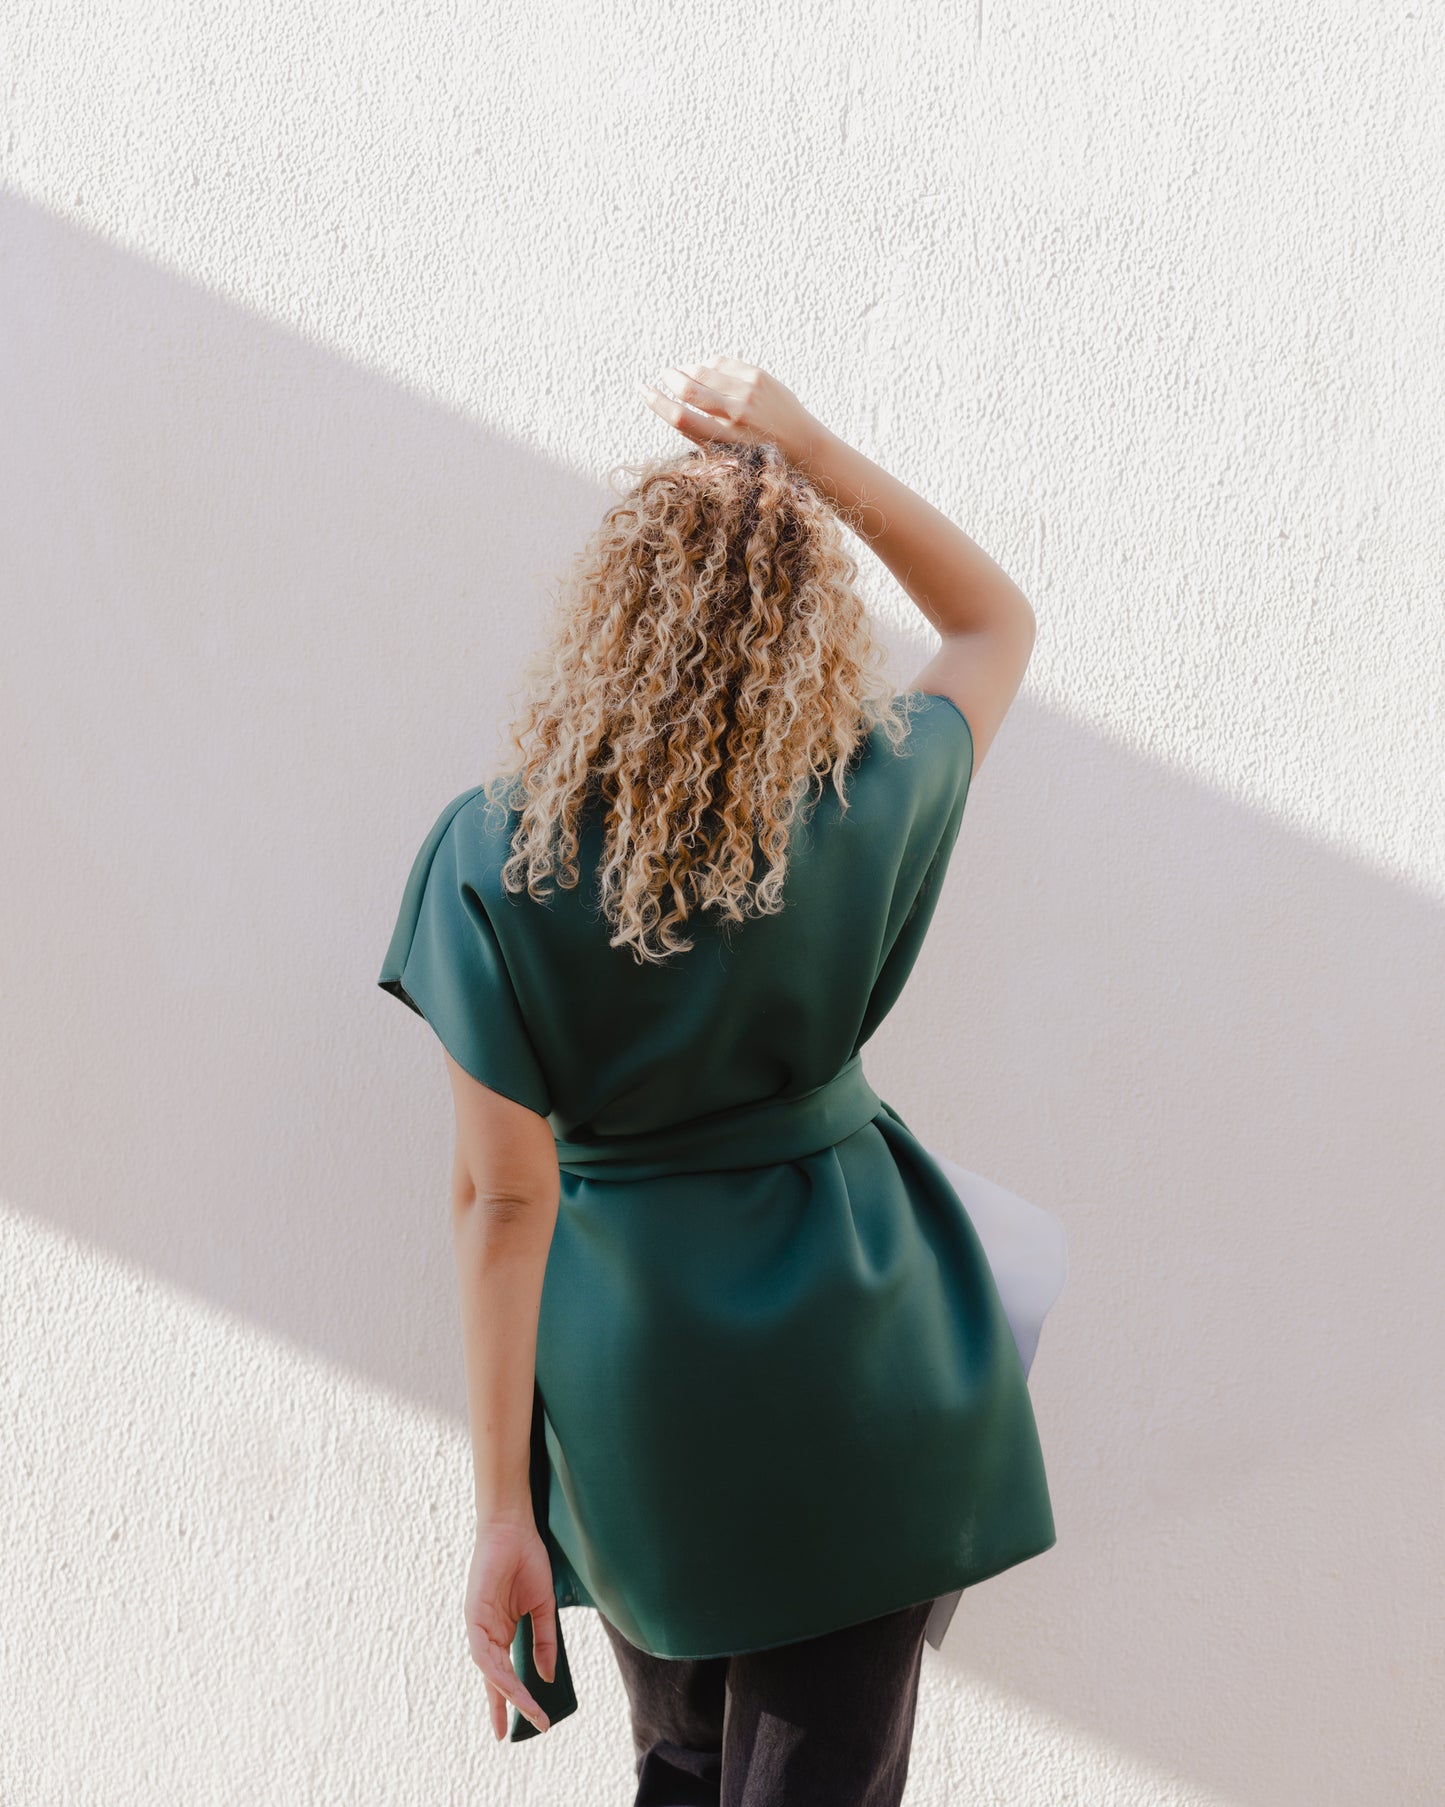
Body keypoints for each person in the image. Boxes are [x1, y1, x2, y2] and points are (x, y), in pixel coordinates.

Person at [376, 358, 1056, 1806]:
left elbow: (502, 1204)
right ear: (805, 630)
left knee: (682, 1770)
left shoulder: (493, 855)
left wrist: (505, 1512)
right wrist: (811, 448)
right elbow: (993, 619)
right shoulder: (872, 790)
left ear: (608, 622)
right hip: (862, 1360)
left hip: (635, 1391)